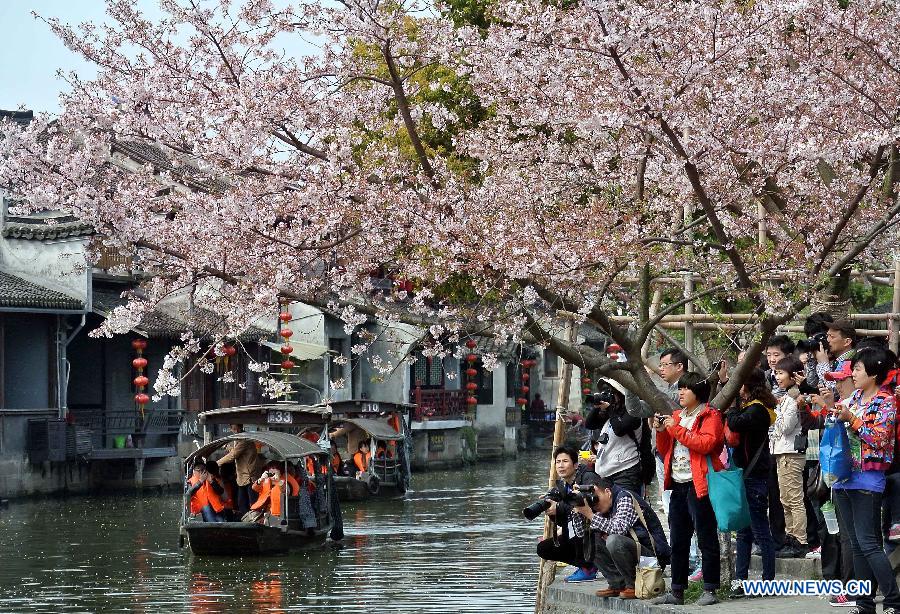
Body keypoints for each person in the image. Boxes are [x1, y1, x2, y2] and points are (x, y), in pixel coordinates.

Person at [831, 347, 900, 614]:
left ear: (873, 373)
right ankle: (864, 604)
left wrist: (853, 421)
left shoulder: (886, 401)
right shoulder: (855, 397)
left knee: (869, 544)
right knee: (858, 545)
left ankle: (893, 601)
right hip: (843, 477)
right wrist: (832, 412)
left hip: (868, 479)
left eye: (858, 369)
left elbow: (881, 438)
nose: (853, 374)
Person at [651, 372, 723, 606]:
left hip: (700, 485)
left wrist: (676, 428)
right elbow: (664, 451)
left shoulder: (710, 416)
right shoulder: (675, 416)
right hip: (678, 485)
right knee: (679, 540)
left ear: (698, 392)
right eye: (680, 388)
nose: (680, 392)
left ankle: (710, 589)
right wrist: (660, 430)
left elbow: (706, 444)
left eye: (685, 389)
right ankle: (677, 590)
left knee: (706, 538)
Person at [571, 477, 671, 601]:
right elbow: (582, 535)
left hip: (651, 559)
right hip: (636, 555)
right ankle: (617, 584)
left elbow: (619, 529)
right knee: (592, 539)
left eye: (597, 498)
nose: (595, 504)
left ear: (608, 492)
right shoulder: (605, 506)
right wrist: (577, 512)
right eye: (593, 501)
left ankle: (633, 585)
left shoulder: (624, 498)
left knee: (614, 540)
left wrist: (590, 514)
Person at [726, 368, 777, 596]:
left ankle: (768, 582)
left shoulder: (757, 410)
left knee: (760, 532)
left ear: (746, 386)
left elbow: (735, 423)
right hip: (746, 477)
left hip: (754, 478)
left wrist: (733, 406)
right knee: (744, 533)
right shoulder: (754, 408)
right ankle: (740, 581)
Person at [536, 446, 602, 583]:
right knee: (544, 548)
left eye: (565, 461)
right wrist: (552, 512)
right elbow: (563, 520)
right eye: (558, 462)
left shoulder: (588, 477)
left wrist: (559, 507)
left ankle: (589, 566)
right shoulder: (562, 485)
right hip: (578, 532)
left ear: (575, 464)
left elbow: (589, 505)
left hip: (596, 529)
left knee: (578, 530)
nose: (561, 465)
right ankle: (585, 564)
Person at [771, 355, 808, 558]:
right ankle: (790, 536)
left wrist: (776, 416)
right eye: (776, 373)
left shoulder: (795, 398)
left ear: (794, 376)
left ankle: (800, 540)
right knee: (785, 499)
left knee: (794, 499)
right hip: (782, 452)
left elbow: (785, 427)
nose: (777, 377)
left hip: (791, 454)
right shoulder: (787, 398)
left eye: (781, 373)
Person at [584, 378, 643, 494]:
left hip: (625, 472)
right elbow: (589, 424)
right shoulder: (612, 413)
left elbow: (619, 429)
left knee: (626, 508)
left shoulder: (633, 411)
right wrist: (597, 407)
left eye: (613, 393)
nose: (610, 395)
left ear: (621, 395)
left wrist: (609, 409)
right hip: (606, 474)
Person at [215, 424, 262, 515]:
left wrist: (216, 463)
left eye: (236, 429)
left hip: (249, 476)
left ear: (240, 428)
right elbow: (236, 451)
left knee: (251, 501)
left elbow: (234, 455)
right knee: (241, 502)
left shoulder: (244, 440)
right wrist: (228, 448)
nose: (235, 431)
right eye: (233, 429)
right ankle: (245, 519)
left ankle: (254, 519)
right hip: (241, 477)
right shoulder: (239, 440)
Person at [816, 319, 857, 394]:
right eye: (827, 336)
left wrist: (823, 364)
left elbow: (835, 393)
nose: (827, 340)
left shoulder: (852, 362)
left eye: (832, 337)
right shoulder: (835, 360)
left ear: (847, 342)